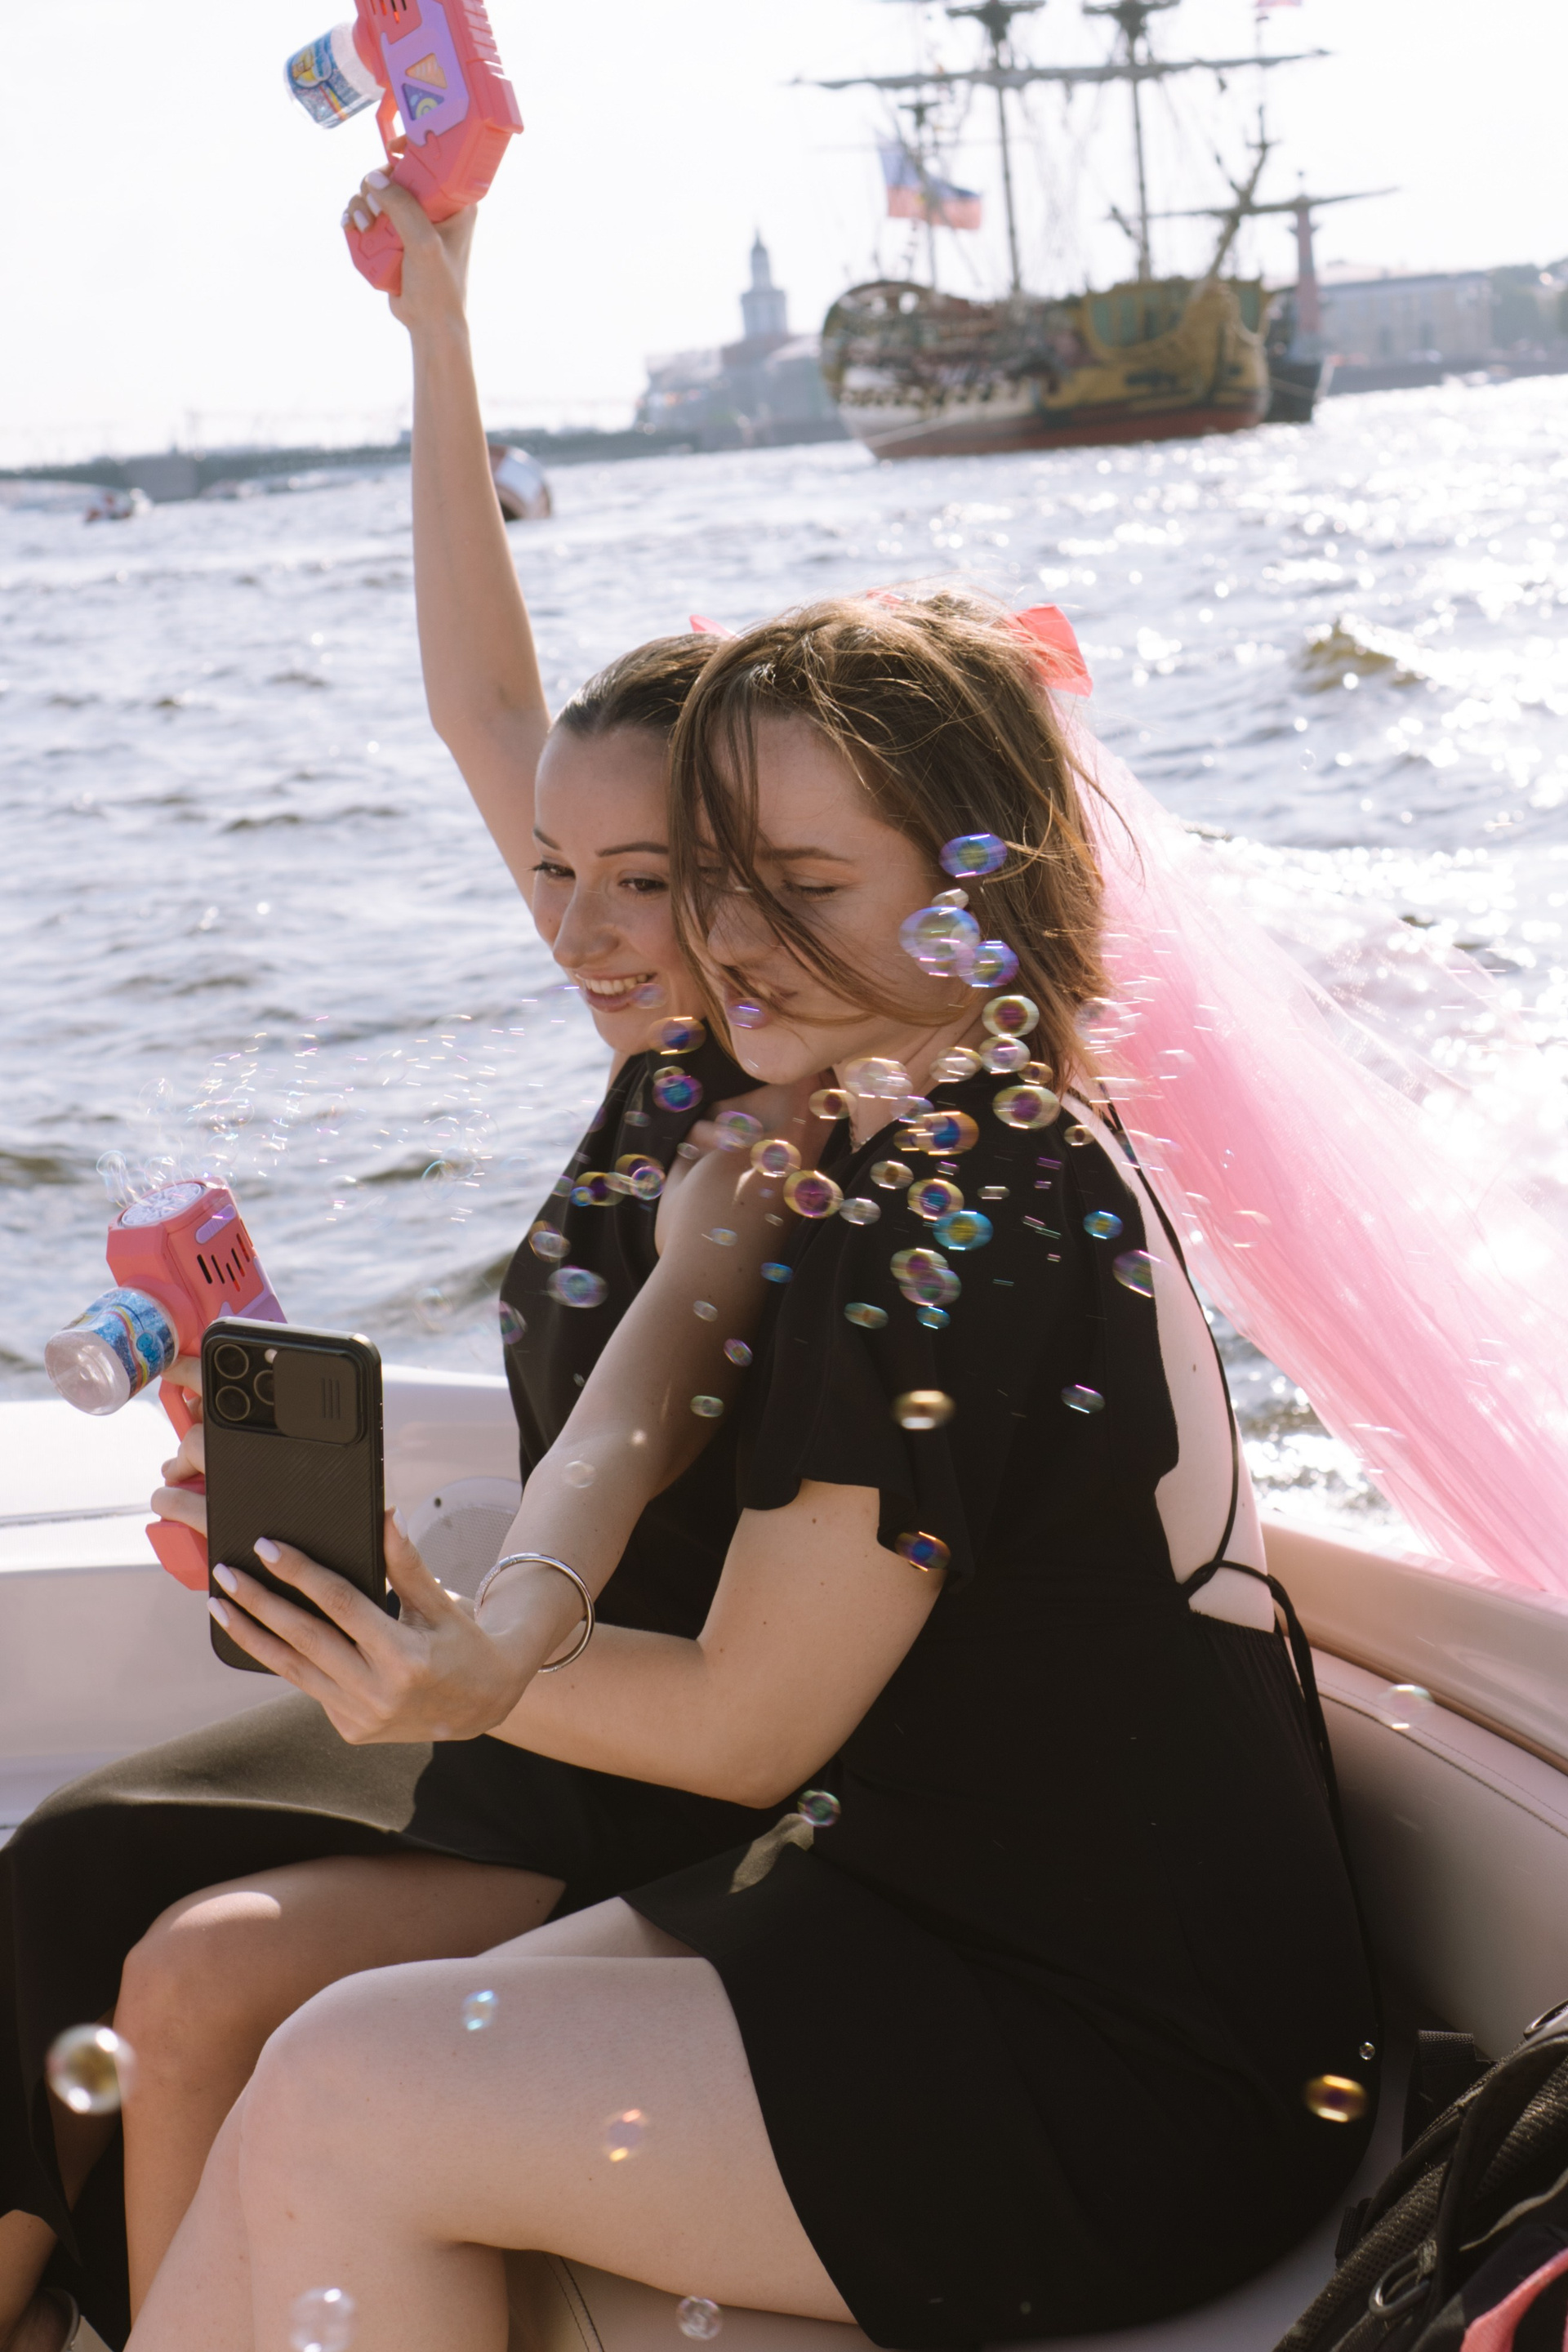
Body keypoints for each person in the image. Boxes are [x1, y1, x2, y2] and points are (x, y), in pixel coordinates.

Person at [125, 590, 1378, 2352]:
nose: (735, 940)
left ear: (980, 898)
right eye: (714, 880)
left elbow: (745, 1726)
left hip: (1133, 2058)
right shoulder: (857, 1135)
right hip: (912, 1909)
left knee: (349, 2094)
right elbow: (634, 1407)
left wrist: (473, 1682)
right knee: (311, 2067)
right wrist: (496, 1631)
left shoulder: (982, 1192)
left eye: (806, 886)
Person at [0, 184, 805, 2352]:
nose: (575, 927)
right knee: (56, 1872)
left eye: (640, 881)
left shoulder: (774, 1142)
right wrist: (439, 322)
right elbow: (485, 698)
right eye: (554, 871)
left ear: (759, 874)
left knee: (185, 1968)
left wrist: (454, 1621)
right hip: (517, 1693)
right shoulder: (658, 1062)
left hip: (661, 1766)